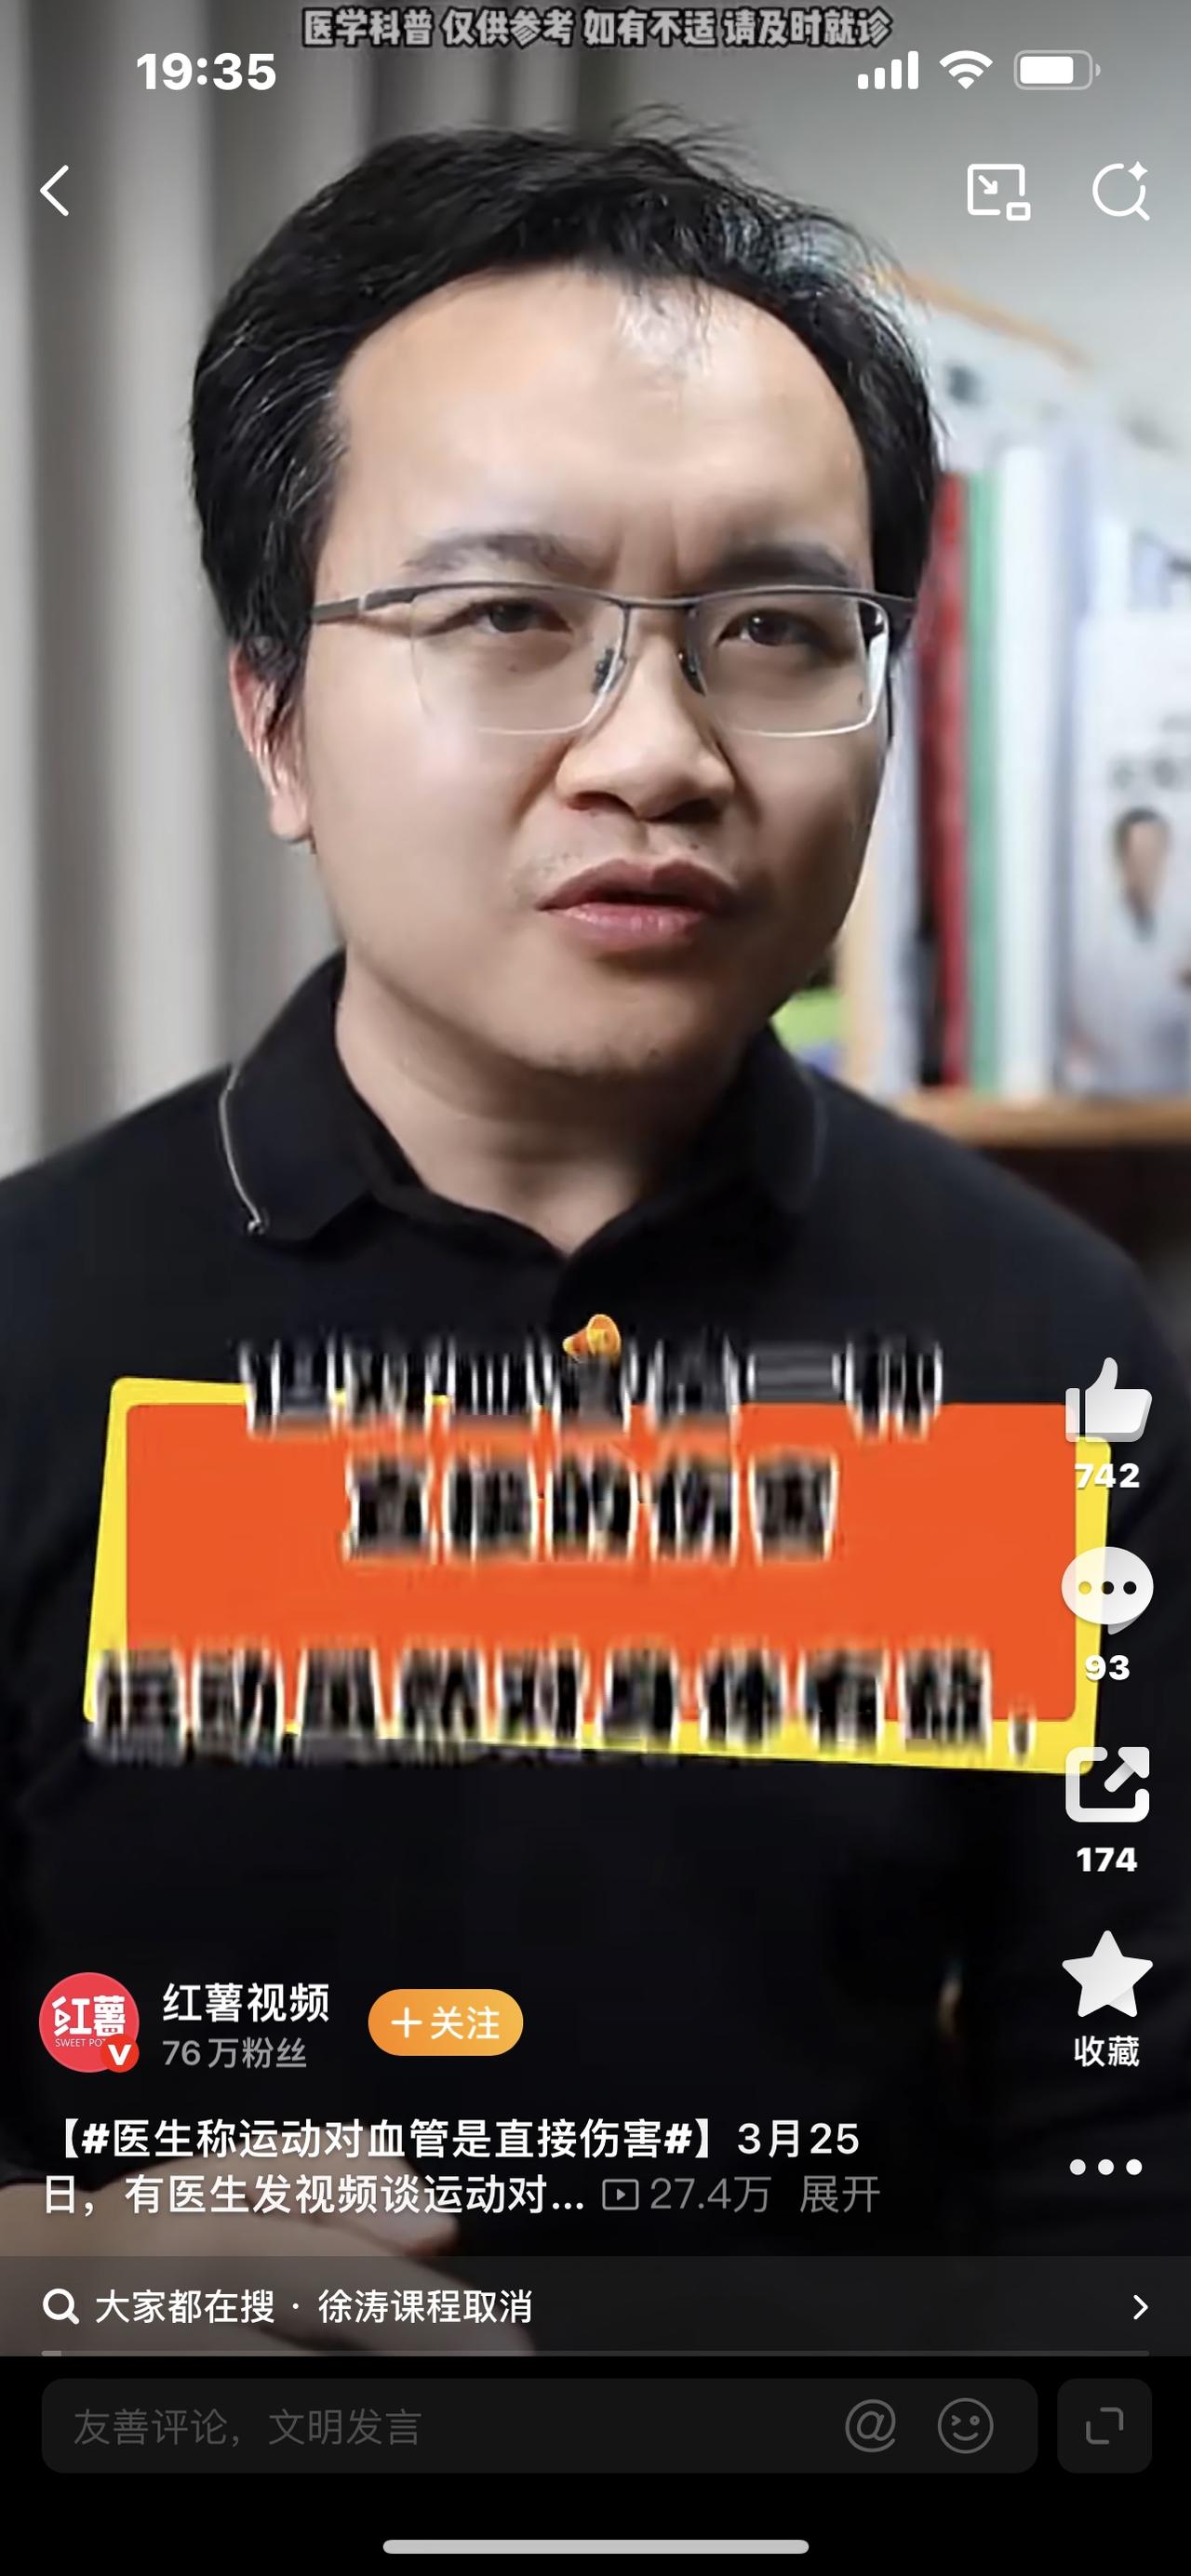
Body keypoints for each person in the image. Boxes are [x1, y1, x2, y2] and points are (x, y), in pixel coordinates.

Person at [2, 121, 1190, 2356]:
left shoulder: (1037, 1341)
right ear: (274, 717)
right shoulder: (32, 1336)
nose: (654, 753)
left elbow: (1110, 2138)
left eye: (771, 630)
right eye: (506, 619)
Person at [1069, 807, 1191, 1095]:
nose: (1148, 867)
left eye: (1155, 855)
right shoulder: (1093, 935)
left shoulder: (1182, 929)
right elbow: (1092, 1025)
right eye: (1140, 856)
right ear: (1121, 860)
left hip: (1176, 1100)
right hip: (1113, 1096)